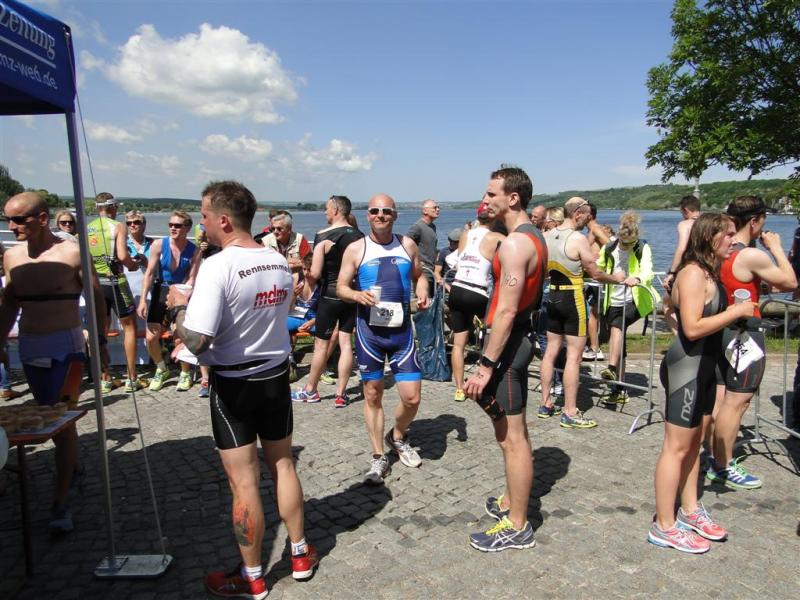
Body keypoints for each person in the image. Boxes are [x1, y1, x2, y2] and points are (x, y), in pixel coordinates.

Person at [169, 180, 317, 598]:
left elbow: (198, 341)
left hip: (234, 384)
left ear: (223, 220)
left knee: (245, 483)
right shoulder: (276, 261)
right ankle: (300, 554)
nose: (201, 223)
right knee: (283, 465)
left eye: (203, 216)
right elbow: (280, 312)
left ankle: (252, 576)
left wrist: (178, 308)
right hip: (274, 377)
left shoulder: (218, 266)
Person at [0, 191, 107, 533]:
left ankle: (61, 501)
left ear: (43, 219)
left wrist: (100, 341)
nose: (11, 226)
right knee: (46, 413)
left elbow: (96, 297)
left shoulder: (72, 252)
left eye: (19, 219)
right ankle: (73, 469)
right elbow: (9, 303)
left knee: (63, 421)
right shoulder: (12, 257)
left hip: (67, 349)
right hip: (30, 348)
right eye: (7, 219)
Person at [650, 212, 755, 554]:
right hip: (687, 370)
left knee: (695, 444)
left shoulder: (709, 271)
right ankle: (664, 525)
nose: (734, 240)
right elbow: (693, 328)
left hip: (706, 369)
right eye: (728, 234)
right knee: (676, 447)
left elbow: (671, 305)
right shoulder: (694, 273)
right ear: (711, 237)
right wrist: (736, 312)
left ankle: (690, 509)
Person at [461, 166, 546, 552]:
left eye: (491, 194)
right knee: (513, 432)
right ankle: (512, 500)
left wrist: (485, 365)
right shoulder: (531, 236)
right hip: (515, 342)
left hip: (509, 347)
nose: (485, 200)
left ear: (513, 198)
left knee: (513, 439)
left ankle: (518, 525)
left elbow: (508, 310)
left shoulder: (515, 244)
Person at [337, 194, 430, 484]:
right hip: (370, 335)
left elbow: (420, 275)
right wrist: (356, 295)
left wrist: (423, 289)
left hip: (401, 334)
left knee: (412, 398)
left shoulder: (407, 245)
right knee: (372, 394)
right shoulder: (356, 248)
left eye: (386, 211)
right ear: (368, 215)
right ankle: (378, 456)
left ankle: (397, 436)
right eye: (375, 210)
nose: (381, 215)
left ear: (395, 215)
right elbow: (340, 287)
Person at [706, 196, 796, 489]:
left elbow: (738, 281)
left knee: (722, 397)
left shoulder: (722, 248)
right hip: (745, 332)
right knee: (738, 401)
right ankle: (723, 465)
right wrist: (776, 248)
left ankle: (714, 455)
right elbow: (791, 282)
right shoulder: (751, 255)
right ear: (754, 221)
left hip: (721, 329)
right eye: (763, 221)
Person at [538, 197, 624, 428]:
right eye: (587, 215)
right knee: (574, 358)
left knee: (550, 352)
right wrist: (617, 279)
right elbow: (595, 273)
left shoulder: (547, 236)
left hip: (552, 296)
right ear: (577, 213)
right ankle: (570, 411)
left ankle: (545, 404)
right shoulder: (577, 239)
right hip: (572, 299)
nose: (589, 220)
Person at [292, 195, 363, 407]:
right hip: (351, 294)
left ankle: (311, 390)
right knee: (346, 343)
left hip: (330, 295)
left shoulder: (323, 236)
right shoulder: (360, 236)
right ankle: (341, 395)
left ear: (336, 210)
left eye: (326, 208)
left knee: (321, 345)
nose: (325, 212)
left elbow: (314, 274)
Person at [596, 211, 657, 405]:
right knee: (618, 341)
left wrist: (636, 278)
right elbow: (598, 267)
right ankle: (619, 389)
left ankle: (612, 368)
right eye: (624, 243)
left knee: (617, 326)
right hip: (613, 299)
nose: (626, 247)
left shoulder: (642, 247)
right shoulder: (609, 247)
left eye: (630, 244)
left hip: (635, 299)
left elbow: (648, 271)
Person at [137, 210, 202, 392]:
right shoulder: (159, 244)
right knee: (151, 337)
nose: (173, 228)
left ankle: (185, 371)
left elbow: (192, 277)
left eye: (178, 225)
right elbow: (149, 273)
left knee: (180, 335)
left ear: (187, 228)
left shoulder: (194, 250)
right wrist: (143, 300)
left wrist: (182, 295)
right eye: (170, 225)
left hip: (181, 291)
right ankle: (161, 368)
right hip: (161, 289)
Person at [86, 192, 143, 393]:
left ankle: (105, 378)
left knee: (101, 330)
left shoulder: (88, 228)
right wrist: (134, 265)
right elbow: (122, 255)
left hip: (95, 284)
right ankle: (132, 378)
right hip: (115, 281)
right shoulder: (118, 226)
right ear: (113, 207)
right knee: (129, 327)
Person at [448, 203, 505, 401]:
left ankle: (459, 388)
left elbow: (457, 260)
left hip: (457, 288)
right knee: (489, 337)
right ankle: (485, 380)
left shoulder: (465, 234)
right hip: (478, 291)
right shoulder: (497, 238)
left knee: (459, 343)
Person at [582, 202, 610, 361]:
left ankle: (595, 348)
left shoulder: (596, 229)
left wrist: (599, 259)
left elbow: (612, 245)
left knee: (592, 314)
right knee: (589, 313)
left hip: (595, 280)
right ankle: (590, 345)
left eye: (582, 213)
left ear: (590, 215)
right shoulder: (590, 231)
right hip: (589, 279)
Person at [663, 195, 701, 292]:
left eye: (682, 213)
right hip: (708, 269)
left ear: (685, 210)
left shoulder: (685, 224)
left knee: (669, 299)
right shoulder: (708, 223)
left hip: (690, 269)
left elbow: (682, 248)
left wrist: (672, 272)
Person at [406, 199, 439, 293]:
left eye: (438, 207)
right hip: (423, 273)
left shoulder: (433, 226)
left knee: (432, 300)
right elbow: (405, 245)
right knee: (423, 300)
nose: (438, 209)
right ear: (425, 211)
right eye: (435, 207)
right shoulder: (417, 227)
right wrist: (416, 262)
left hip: (432, 271)